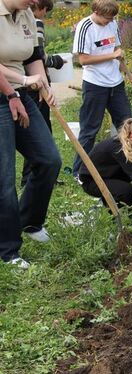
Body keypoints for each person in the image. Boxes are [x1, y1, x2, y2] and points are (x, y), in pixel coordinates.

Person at [0, 0, 62, 268]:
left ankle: (30, 222)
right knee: (4, 179)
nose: (36, 2)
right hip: (6, 94)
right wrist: (18, 85)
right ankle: (8, 250)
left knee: (49, 159)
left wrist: (44, 86)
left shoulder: (26, 13)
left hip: (21, 94)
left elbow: (34, 56)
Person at [71, 0, 132, 180]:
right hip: (95, 85)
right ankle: (78, 171)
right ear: (96, 11)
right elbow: (83, 60)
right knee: (90, 130)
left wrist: (128, 73)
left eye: (111, 19)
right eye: (106, 19)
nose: (109, 22)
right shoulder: (85, 27)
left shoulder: (112, 23)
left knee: (127, 124)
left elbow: (117, 50)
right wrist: (112, 55)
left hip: (116, 84)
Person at [21, 0, 65, 186]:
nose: (45, 14)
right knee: (40, 130)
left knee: (39, 129)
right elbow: (37, 54)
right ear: (40, 8)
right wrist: (55, 60)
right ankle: (31, 176)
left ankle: (35, 175)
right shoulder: (35, 22)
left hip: (33, 82)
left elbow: (34, 56)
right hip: (31, 85)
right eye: (46, 10)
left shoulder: (26, 18)